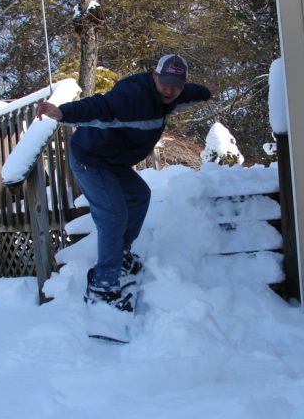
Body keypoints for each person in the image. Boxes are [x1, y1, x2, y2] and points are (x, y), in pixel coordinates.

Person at [36, 54, 211, 310]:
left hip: (114, 161)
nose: (170, 90)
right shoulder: (131, 97)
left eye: (176, 84)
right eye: (165, 83)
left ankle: (121, 253)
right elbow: (100, 106)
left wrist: (208, 92)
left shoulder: (175, 93)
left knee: (139, 195)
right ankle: (103, 284)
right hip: (91, 159)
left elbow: (192, 92)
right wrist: (62, 112)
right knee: (113, 214)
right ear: (155, 76)